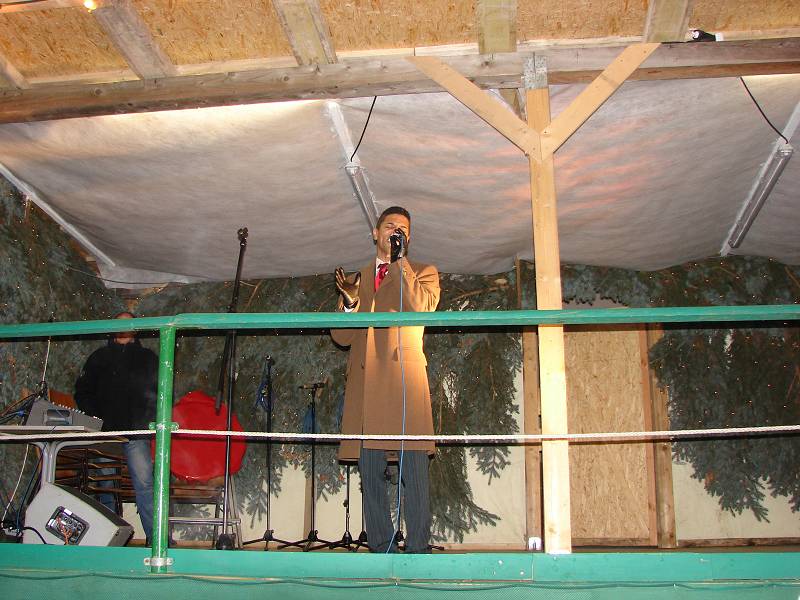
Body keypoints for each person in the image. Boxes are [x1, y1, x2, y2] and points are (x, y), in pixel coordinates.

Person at [333, 206, 440, 553]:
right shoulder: (358, 278)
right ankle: (382, 548)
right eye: (390, 226)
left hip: (404, 382)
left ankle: (419, 550)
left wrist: (400, 263)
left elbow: (421, 307)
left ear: (408, 238)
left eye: (403, 229)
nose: (396, 231)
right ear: (375, 233)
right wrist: (349, 304)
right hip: (366, 386)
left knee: (416, 474)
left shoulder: (423, 272)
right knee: (372, 476)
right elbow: (341, 337)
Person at [75, 311, 157, 543]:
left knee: (145, 484)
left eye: (128, 324)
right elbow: (82, 392)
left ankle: (156, 539)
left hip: (136, 432)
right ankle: (110, 539)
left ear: (136, 329)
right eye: (119, 324)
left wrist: (146, 420)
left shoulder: (148, 358)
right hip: (106, 432)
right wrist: (97, 418)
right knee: (105, 486)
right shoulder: (98, 358)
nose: (123, 328)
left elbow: (160, 392)